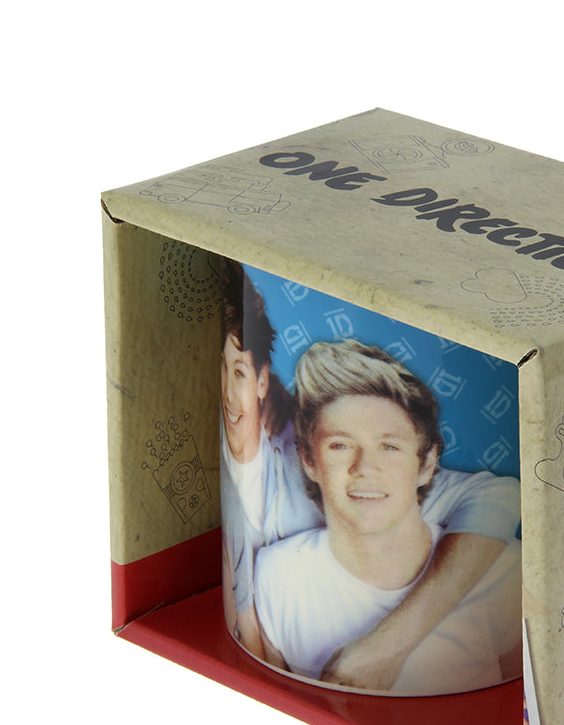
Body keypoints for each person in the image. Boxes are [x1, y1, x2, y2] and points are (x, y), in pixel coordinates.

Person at [219, 264, 521, 683]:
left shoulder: (500, 570)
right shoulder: (275, 574)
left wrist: (386, 648)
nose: (365, 467)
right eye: (341, 446)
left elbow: (499, 496)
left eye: (388, 447)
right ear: (311, 459)